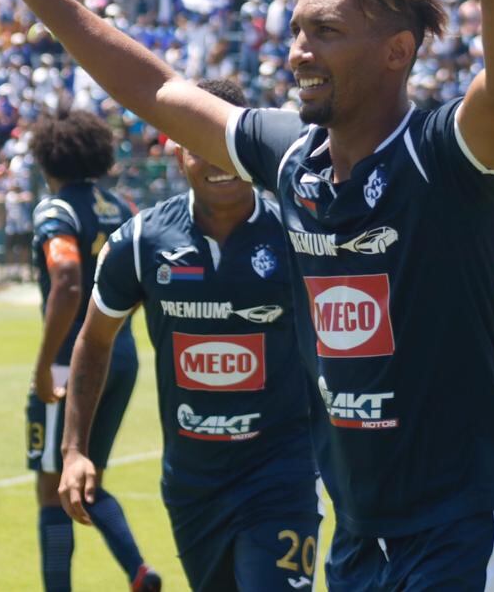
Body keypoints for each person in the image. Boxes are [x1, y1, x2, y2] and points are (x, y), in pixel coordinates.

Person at [0, 0, 494, 589]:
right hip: (360, 539)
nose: (298, 51)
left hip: (466, 526)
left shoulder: (442, 156)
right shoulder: (291, 159)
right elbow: (157, 88)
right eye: (297, 30)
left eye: (326, 32)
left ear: (397, 51)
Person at [60, 79, 320, 591]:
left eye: (226, 143)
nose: (216, 159)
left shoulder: (297, 236)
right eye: (199, 144)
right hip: (192, 483)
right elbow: (94, 339)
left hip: (282, 473)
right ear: (176, 150)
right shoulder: (141, 243)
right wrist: (74, 450)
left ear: (250, 149)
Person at [26, 110, 159, 592]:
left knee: (52, 487)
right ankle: (139, 572)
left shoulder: (56, 210)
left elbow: (66, 280)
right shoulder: (122, 207)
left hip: (71, 364)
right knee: (87, 478)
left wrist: (46, 365)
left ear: (46, 157)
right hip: (120, 355)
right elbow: (145, 279)